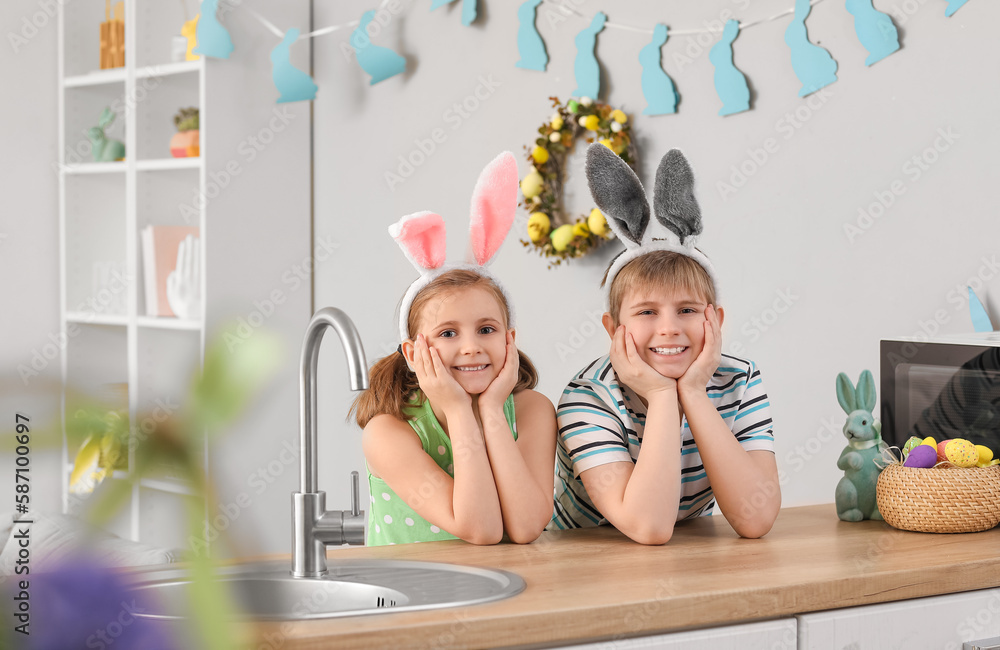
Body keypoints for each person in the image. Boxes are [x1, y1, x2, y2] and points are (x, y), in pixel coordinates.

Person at [549, 145, 780, 544]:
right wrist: (660, 396)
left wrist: (693, 392)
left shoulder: (739, 380)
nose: (669, 329)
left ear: (715, 320)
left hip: (685, 553)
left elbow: (755, 519)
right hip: (585, 558)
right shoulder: (588, 397)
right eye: (646, 312)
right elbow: (649, 527)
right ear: (613, 328)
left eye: (687, 310)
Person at [351, 152, 556, 546]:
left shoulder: (532, 411)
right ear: (413, 354)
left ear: (509, 340)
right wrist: (461, 411)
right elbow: (480, 529)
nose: (471, 347)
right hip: (414, 586)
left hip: (503, 585)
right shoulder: (389, 432)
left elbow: (527, 526)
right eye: (448, 333)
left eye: (486, 329)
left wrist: (492, 410)